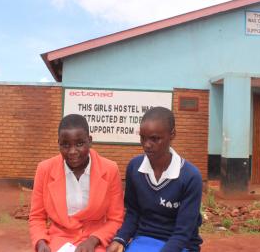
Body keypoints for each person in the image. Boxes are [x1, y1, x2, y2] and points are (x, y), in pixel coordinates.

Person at [107, 107, 203, 252]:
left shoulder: (190, 176)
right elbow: (133, 213)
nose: (147, 145)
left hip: (180, 244)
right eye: (143, 138)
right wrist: (120, 238)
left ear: (172, 135)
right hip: (144, 239)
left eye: (155, 139)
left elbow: (183, 232)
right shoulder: (135, 167)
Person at [29, 114, 124, 252]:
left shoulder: (109, 170)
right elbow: (37, 217)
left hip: (96, 241)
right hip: (58, 240)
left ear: (89, 141)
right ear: (59, 144)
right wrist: (41, 242)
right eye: (65, 145)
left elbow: (115, 219)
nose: (72, 151)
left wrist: (93, 241)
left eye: (79, 144)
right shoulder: (45, 170)